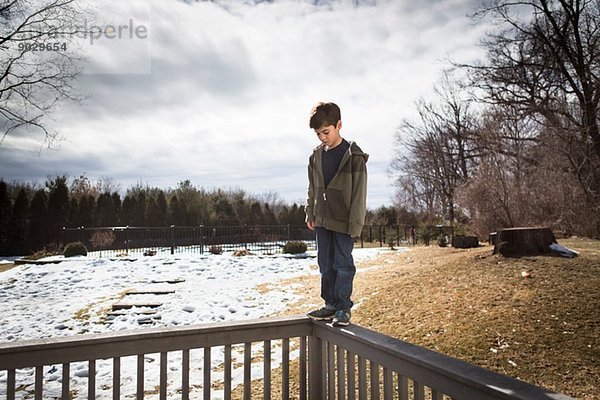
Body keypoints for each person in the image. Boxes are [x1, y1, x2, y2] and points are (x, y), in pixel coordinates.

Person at [304, 102, 368, 326]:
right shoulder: (316, 157)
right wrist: (310, 212)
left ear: (339, 125)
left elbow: (359, 194)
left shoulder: (354, 156)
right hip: (322, 219)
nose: (322, 137)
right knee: (325, 263)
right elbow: (312, 187)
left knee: (343, 264)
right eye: (318, 133)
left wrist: (356, 225)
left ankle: (343, 308)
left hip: (344, 221)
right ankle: (330, 305)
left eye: (326, 132)